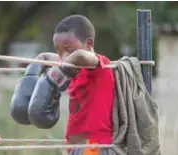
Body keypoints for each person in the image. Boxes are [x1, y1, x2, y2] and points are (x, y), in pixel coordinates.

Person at [10, 14, 116, 155]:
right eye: (59, 51)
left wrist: (58, 71)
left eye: (69, 50)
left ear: (89, 45)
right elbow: (52, 58)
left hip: (95, 147)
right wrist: (36, 65)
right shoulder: (73, 67)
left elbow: (81, 56)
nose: (64, 57)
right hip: (77, 146)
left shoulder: (98, 65)